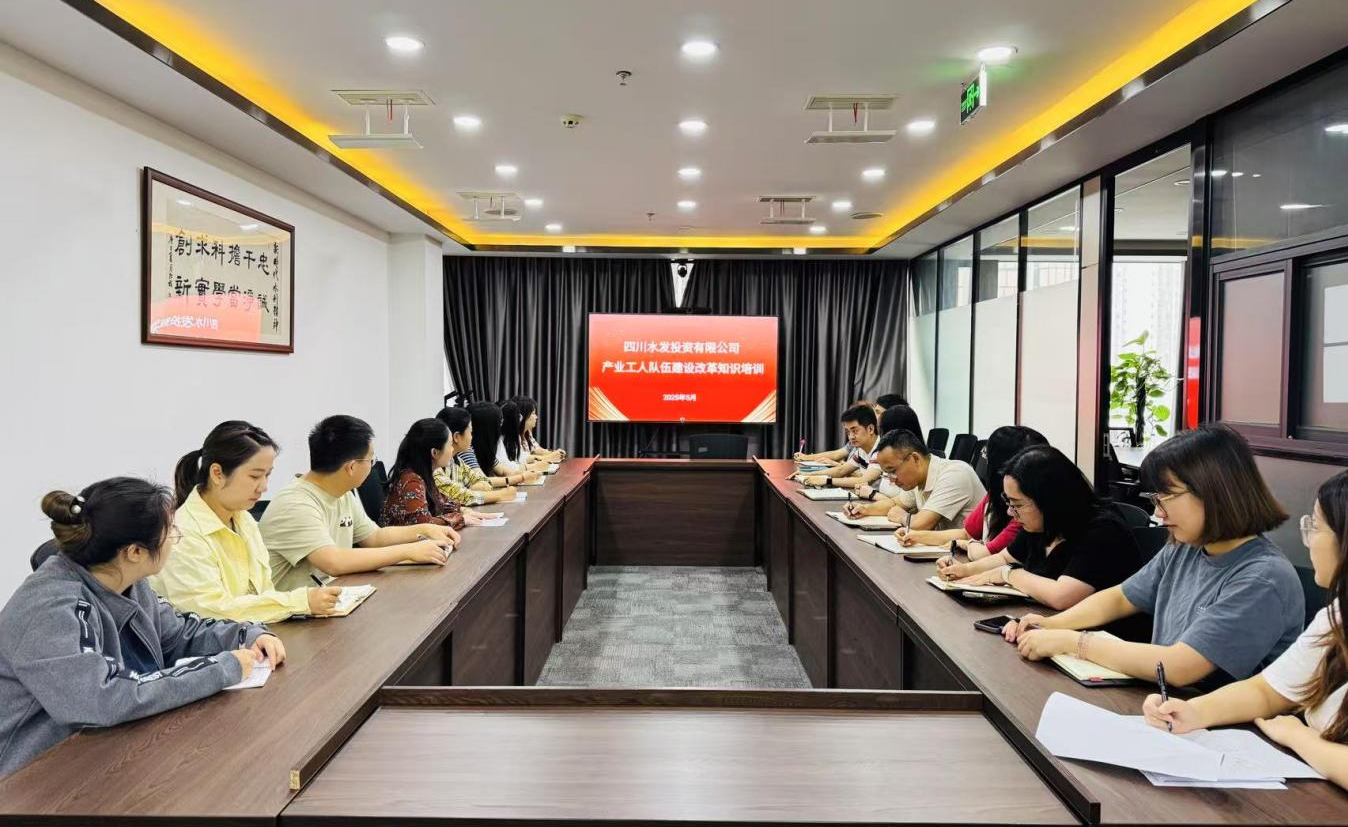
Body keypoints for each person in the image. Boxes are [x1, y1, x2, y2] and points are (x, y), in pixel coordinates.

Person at [0, 478, 284, 776]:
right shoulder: (49, 608)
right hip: (29, 779)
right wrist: (221, 668)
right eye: (170, 532)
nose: (175, 539)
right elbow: (101, 699)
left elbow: (178, 636)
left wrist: (245, 635)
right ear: (135, 552)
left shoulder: (127, 580)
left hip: (107, 750)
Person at [1004, 424, 1303, 689]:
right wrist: (1052, 625)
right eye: (1154, 499)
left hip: (1216, 723)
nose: (1158, 513)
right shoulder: (1186, 547)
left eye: (1165, 498)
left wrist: (1075, 641)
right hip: (1165, 705)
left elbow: (1180, 667)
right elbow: (1121, 598)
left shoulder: (1263, 577)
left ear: (1214, 492)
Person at [1142, 470, 1348, 788]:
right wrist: (1192, 712)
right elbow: (1268, 690)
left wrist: (1301, 738)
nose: (1307, 540)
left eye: (1316, 527)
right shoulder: (1336, 617)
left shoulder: (1263, 572)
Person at [151, 421, 342, 622]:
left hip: (255, 633)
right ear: (217, 474)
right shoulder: (181, 534)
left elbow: (262, 593)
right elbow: (208, 612)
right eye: (255, 476)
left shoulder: (244, 520)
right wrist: (299, 602)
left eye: (267, 475)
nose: (264, 487)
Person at [260, 415, 458, 592]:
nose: (372, 466)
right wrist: (408, 551)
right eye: (371, 460)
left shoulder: (341, 493)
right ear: (352, 467)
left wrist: (425, 529)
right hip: (290, 615)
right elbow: (333, 561)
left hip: (331, 599)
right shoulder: (296, 504)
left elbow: (374, 537)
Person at [935, 445, 1143, 612]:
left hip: (1102, 641)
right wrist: (964, 571)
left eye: (1017, 504)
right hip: (1047, 625)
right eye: (1009, 502)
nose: (1010, 512)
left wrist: (1009, 575)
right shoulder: (1041, 523)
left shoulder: (1103, 530)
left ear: (1049, 500)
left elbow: (1062, 596)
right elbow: (1005, 558)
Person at [891, 425, 1046, 557]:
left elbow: (989, 553)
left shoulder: (1025, 511)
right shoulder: (993, 497)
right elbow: (965, 534)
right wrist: (916, 536)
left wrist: (969, 545)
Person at [847, 429, 984, 532]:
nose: (892, 480)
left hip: (972, 556)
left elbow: (921, 524)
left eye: (893, 470)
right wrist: (864, 509)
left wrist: (902, 517)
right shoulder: (918, 478)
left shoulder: (955, 474)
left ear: (915, 459)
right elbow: (895, 503)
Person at [381, 418, 479, 529]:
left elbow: (443, 503)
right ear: (434, 453)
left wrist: (463, 510)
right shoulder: (411, 482)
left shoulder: (424, 474)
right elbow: (424, 524)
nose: (452, 449)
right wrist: (461, 519)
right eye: (450, 445)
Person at [434, 406, 517, 506]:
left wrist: (475, 488)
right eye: (470, 432)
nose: (471, 437)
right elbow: (460, 496)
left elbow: (483, 480)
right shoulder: (434, 468)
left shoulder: (456, 461)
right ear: (456, 437)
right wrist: (501, 494)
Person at [854, 405, 926, 510]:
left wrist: (872, 494)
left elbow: (907, 507)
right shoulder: (890, 457)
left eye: (881, 430)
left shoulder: (911, 465)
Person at [797, 405, 884, 489]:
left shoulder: (881, 450)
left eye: (855, 431)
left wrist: (827, 481)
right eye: (848, 432)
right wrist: (807, 474)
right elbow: (841, 470)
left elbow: (863, 481)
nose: (851, 437)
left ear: (870, 429)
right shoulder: (861, 450)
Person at [466, 402, 537, 489]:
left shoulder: (486, 447)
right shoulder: (466, 450)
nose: (500, 429)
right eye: (499, 424)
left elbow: (503, 471)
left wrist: (526, 474)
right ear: (488, 428)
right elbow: (483, 480)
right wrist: (521, 477)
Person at [793, 398, 878, 465]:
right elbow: (837, 454)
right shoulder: (855, 442)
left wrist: (836, 464)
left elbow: (863, 475)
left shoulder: (877, 446)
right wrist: (807, 457)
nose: (851, 436)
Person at [497, 401, 549, 477]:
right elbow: (505, 466)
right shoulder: (499, 439)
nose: (536, 417)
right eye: (533, 413)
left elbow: (520, 457)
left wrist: (543, 458)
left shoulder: (521, 434)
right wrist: (534, 465)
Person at [513, 396, 566, 463]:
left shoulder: (527, 432)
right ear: (522, 416)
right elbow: (522, 459)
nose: (536, 417)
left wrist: (555, 453)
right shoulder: (513, 435)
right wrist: (549, 457)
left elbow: (537, 450)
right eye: (533, 413)